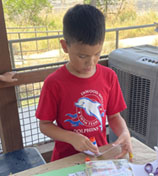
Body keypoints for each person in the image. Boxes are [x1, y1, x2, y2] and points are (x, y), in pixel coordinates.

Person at [35, 4, 133, 162]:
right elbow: (45, 124)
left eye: (97, 54)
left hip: (99, 155)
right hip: (65, 160)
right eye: (82, 56)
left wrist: (124, 133)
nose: (91, 62)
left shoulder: (109, 76)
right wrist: (72, 137)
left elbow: (114, 116)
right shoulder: (54, 83)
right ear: (65, 46)